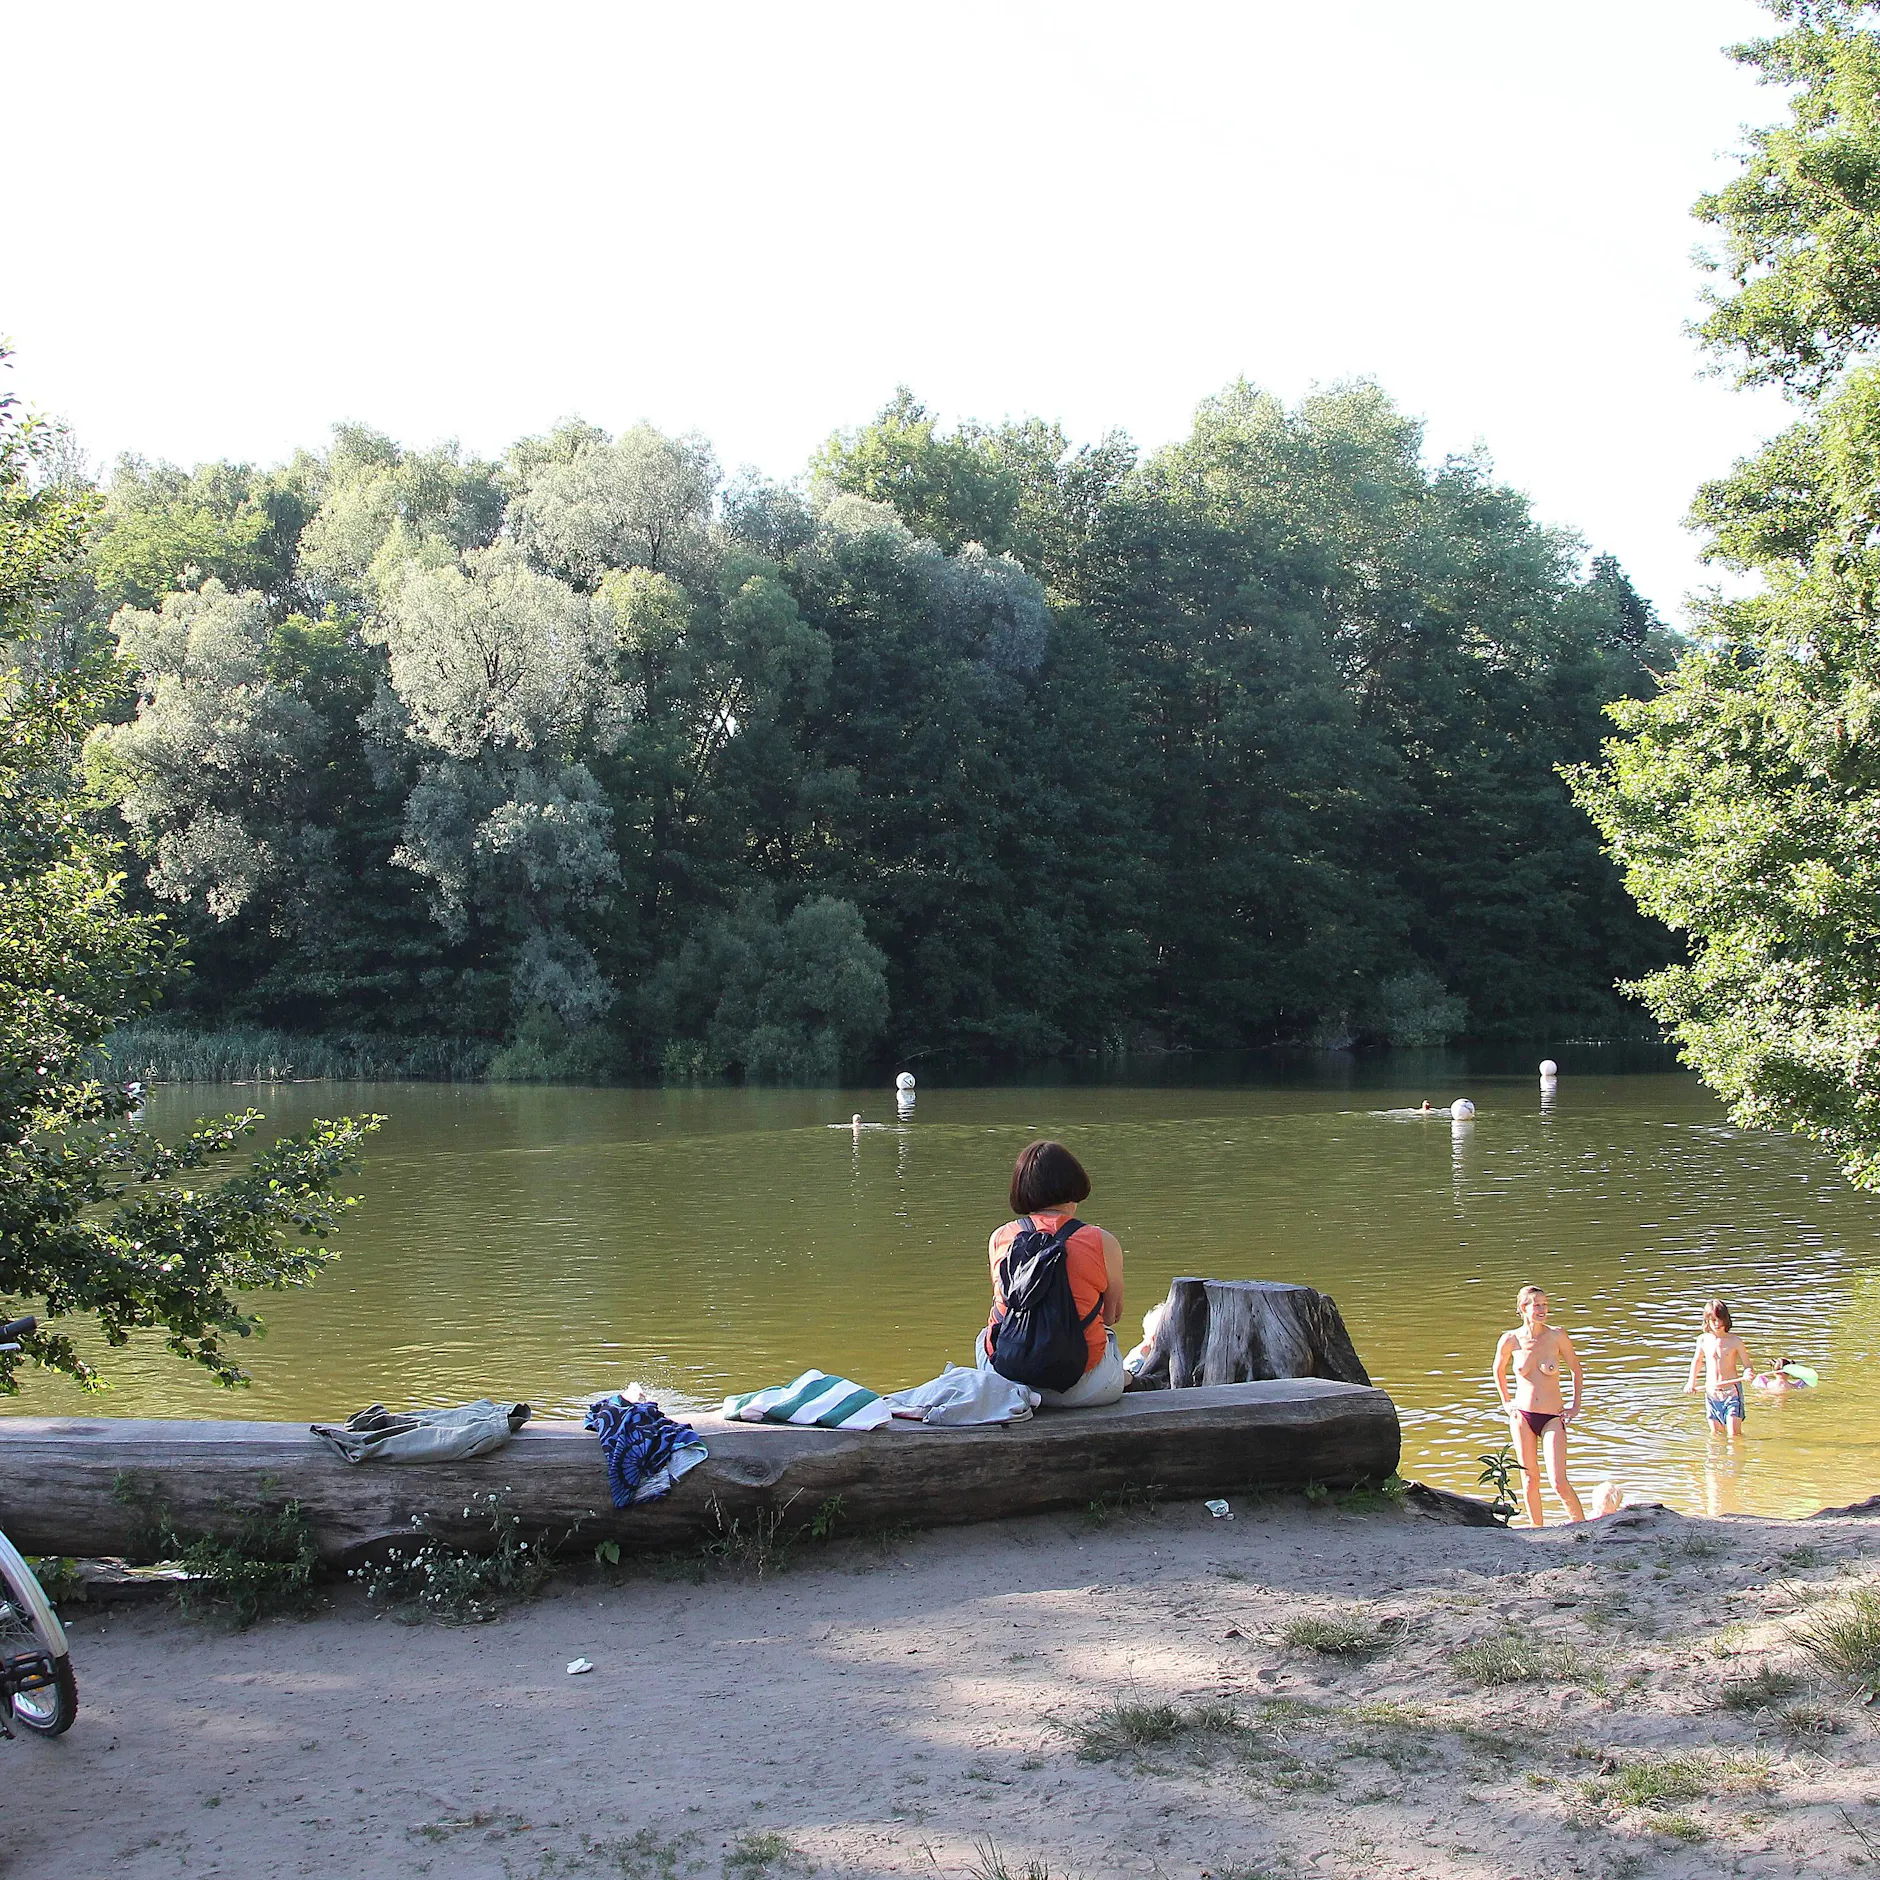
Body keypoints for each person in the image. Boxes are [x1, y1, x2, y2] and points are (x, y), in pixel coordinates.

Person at [979, 1139, 1125, 1408]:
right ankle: (1127, 1378)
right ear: (1075, 1184)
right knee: (1106, 1335)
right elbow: (1111, 1316)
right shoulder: (1103, 1241)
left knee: (986, 1334)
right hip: (1084, 1391)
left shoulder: (1001, 1237)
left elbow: (1007, 1307)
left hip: (1009, 1384)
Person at [1492, 1284, 1585, 1525]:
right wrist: (1506, 1402)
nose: (1542, 1309)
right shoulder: (1510, 1340)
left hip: (1553, 1416)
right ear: (1523, 1308)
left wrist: (1575, 1406)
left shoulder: (1557, 1336)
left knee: (1558, 1481)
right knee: (1530, 1478)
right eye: (1537, 1305)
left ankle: (1584, 1527)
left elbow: (1576, 1370)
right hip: (1522, 1415)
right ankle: (1537, 1528)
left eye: (1545, 1304)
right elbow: (1498, 1369)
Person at [1685, 1300, 1759, 1439]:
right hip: (1711, 1392)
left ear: (1726, 1319)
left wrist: (1748, 1372)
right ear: (1707, 1320)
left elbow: (1748, 1365)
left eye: (1720, 1319)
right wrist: (1691, 1383)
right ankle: (1716, 1460)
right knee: (1716, 1434)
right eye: (1713, 1320)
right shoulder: (1702, 1340)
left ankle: (1736, 1458)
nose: (1717, 1324)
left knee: (1734, 1435)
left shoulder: (1735, 1341)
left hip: (1731, 1391)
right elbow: (1697, 1361)